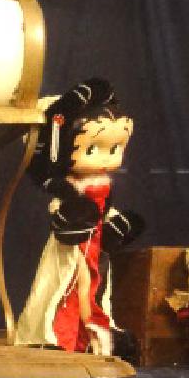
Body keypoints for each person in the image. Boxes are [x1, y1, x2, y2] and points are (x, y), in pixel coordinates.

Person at [15, 78, 144, 360]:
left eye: (114, 149)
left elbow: (104, 209)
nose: (106, 158)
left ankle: (95, 336)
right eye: (93, 149)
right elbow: (59, 209)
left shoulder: (102, 184)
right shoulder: (68, 187)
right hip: (72, 246)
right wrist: (72, 218)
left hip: (95, 245)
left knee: (94, 289)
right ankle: (52, 336)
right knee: (64, 287)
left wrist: (115, 224)